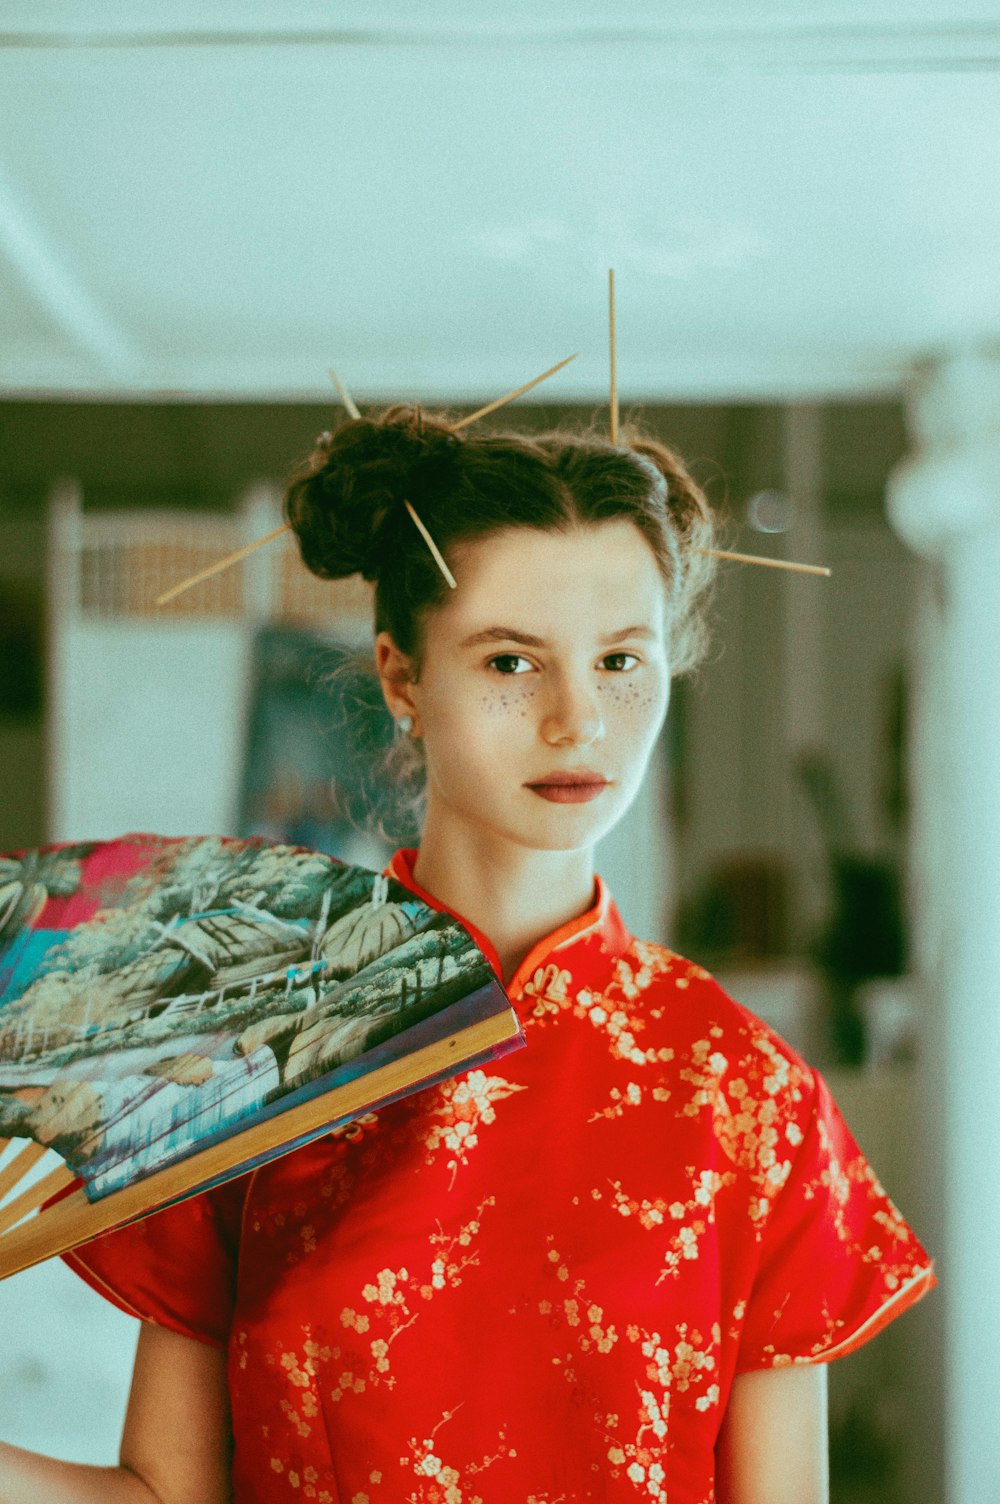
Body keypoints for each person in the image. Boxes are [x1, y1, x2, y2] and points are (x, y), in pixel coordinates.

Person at [0, 407, 934, 1504]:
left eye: (621, 660)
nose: (576, 718)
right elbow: (169, 1497)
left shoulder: (748, 1097)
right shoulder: (242, 1049)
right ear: (402, 677)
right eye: (509, 660)